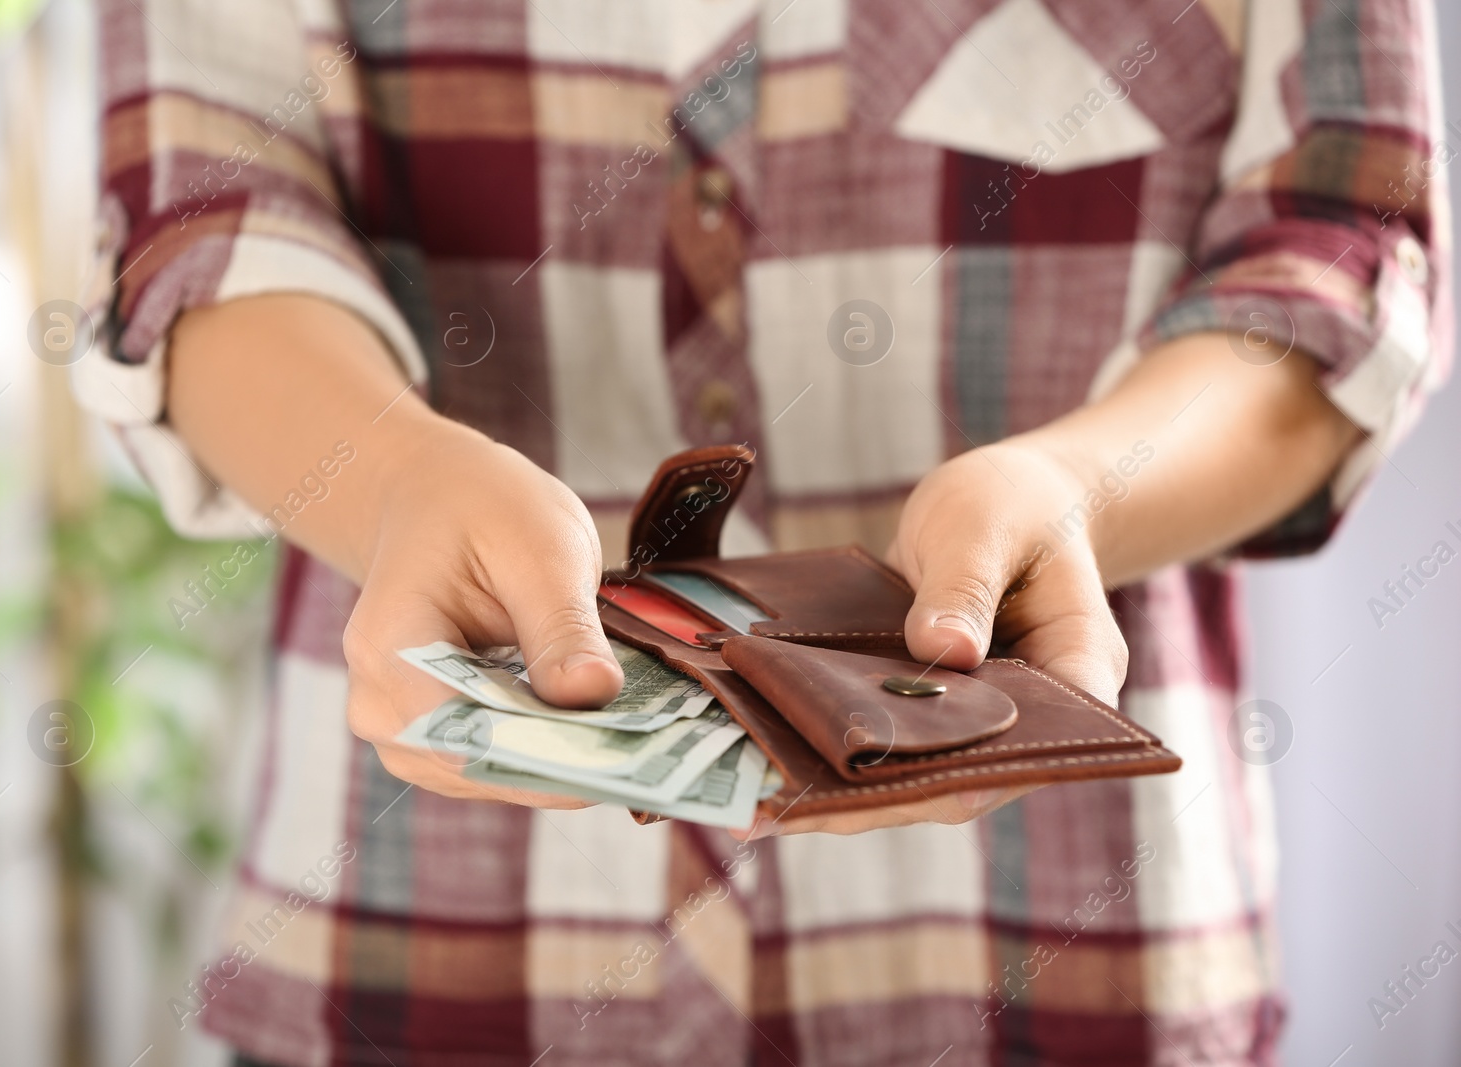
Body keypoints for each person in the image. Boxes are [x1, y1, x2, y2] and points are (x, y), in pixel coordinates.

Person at [78, 0, 1447, 1063]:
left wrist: (1082, 490)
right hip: (418, 955)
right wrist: (390, 483)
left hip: (1070, 961)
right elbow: (198, 222)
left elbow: (1339, 255)